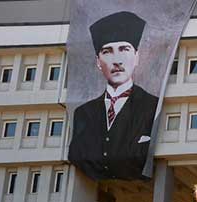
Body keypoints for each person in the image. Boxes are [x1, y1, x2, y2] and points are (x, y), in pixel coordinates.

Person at [68, 11, 159, 181]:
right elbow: (77, 156)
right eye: (107, 51)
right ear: (98, 61)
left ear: (136, 56)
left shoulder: (152, 105)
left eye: (124, 49)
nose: (117, 60)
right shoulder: (83, 113)